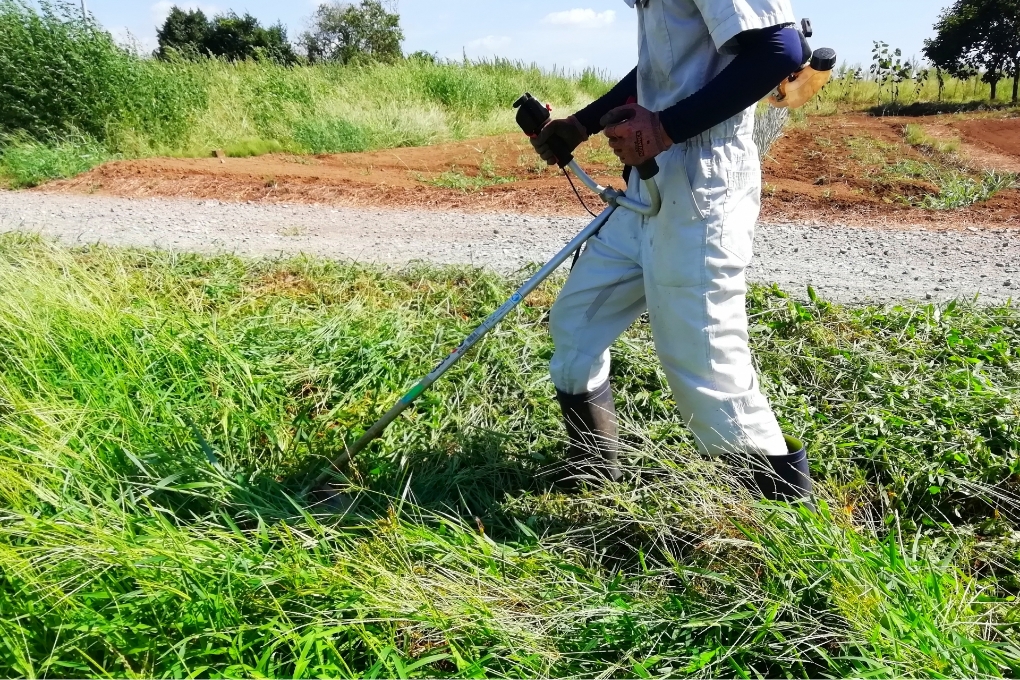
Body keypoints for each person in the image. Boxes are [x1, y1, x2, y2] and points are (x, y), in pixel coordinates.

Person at [531, 0, 814, 503]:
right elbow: (664, 63)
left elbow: (780, 49)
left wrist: (663, 129)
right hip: (648, 184)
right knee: (576, 325)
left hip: (702, 179)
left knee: (705, 366)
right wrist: (583, 123)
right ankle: (597, 478)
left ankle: (782, 527)